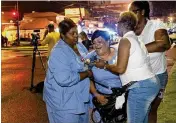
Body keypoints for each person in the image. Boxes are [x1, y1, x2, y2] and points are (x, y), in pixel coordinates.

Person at [94, 11, 160, 123]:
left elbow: (120, 68)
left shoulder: (125, 40)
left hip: (140, 87)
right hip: (150, 83)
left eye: (117, 23)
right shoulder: (137, 39)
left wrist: (104, 65)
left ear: (122, 23)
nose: (116, 26)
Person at [43, 18, 93, 123]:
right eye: (72, 33)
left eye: (77, 33)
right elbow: (64, 79)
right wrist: (87, 73)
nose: (76, 36)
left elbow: (85, 59)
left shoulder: (79, 46)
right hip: (63, 102)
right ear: (63, 35)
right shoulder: (59, 52)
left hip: (79, 98)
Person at [128, 1, 171, 123]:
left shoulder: (156, 25)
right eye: (129, 12)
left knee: (152, 109)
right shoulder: (130, 32)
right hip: (138, 78)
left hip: (158, 75)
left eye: (134, 11)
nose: (131, 14)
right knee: (140, 110)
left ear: (142, 12)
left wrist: (136, 49)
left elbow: (163, 44)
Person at [89, 30, 123, 122]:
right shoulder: (91, 58)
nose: (96, 45)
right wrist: (96, 94)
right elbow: (87, 78)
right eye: (94, 43)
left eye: (99, 42)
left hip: (121, 99)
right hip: (102, 100)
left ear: (108, 41)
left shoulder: (120, 54)